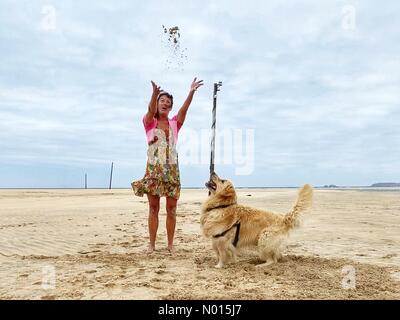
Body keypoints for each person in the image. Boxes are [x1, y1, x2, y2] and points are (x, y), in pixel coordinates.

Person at [132, 78, 204, 254]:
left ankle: (170, 244)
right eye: (162, 101)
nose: (165, 103)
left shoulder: (174, 123)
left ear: (171, 107)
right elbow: (150, 110)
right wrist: (154, 94)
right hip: (154, 170)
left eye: (168, 102)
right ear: (157, 104)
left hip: (172, 170)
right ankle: (152, 245)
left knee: (171, 209)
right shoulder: (149, 121)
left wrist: (191, 92)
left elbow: (184, 110)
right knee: (153, 208)